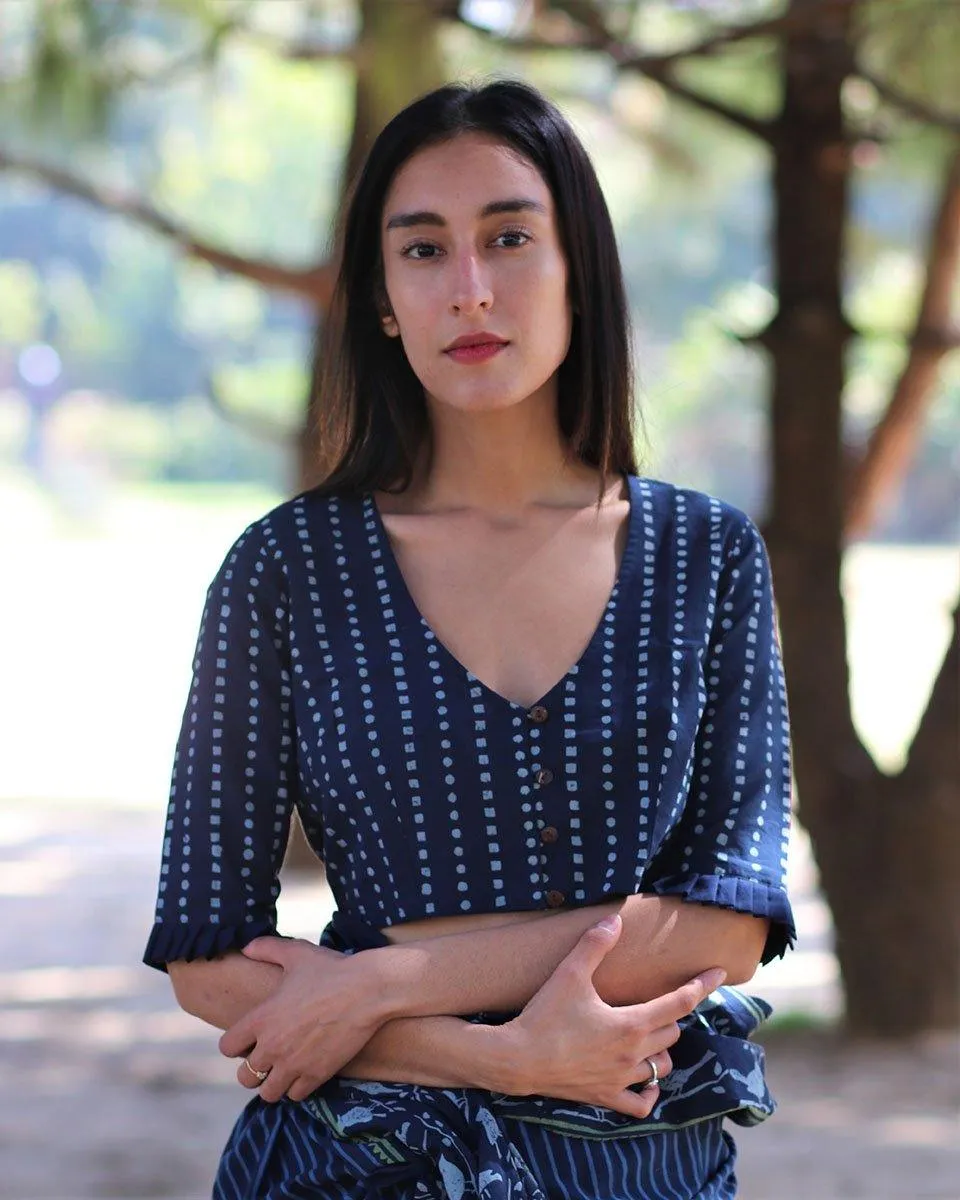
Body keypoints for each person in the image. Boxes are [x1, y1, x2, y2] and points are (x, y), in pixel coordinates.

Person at [144, 79, 795, 1200]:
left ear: (578, 269)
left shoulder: (709, 556)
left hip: (642, 1166)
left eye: (508, 237)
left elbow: (728, 925)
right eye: (424, 251)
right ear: (385, 300)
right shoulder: (285, 570)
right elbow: (210, 956)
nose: (471, 289)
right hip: (352, 1168)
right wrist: (502, 1057)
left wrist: (385, 982)